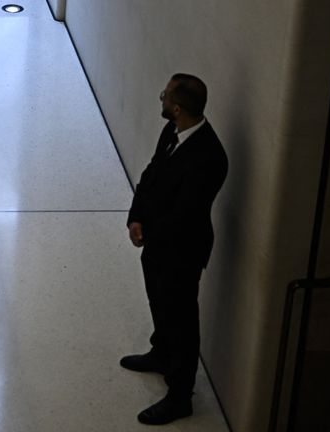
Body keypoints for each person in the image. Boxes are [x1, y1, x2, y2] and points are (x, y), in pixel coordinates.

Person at [122, 74, 228, 425]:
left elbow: (186, 214)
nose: (161, 98)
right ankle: (161, 353)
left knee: (182, 320)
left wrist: (148, 231)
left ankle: (180, 395)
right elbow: (151, 175)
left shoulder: (209, 156)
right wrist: (136, 217)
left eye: (165, 95)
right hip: (157, 243)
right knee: (159, 302)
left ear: (178, 108)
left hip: (182, 252)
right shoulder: (172, 131)